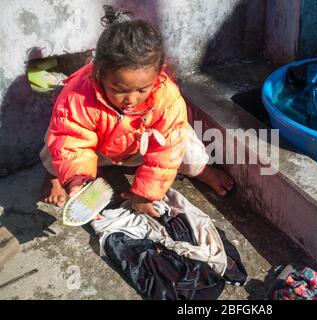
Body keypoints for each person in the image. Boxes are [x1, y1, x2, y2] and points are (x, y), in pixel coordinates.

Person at [39, 9, 233, 217]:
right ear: (98, 75)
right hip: (100, 150)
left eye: (142, 90)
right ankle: (55, 178)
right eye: (119, 90)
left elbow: (166, 152)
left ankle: (201, 170)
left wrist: (144, 194)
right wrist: (79, 184)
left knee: (181, 139)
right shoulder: (78, 94)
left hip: (141, 147)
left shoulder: (167, 97)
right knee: (58, 142)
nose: (131, 99)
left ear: (158, 75)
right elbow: (72, 141)